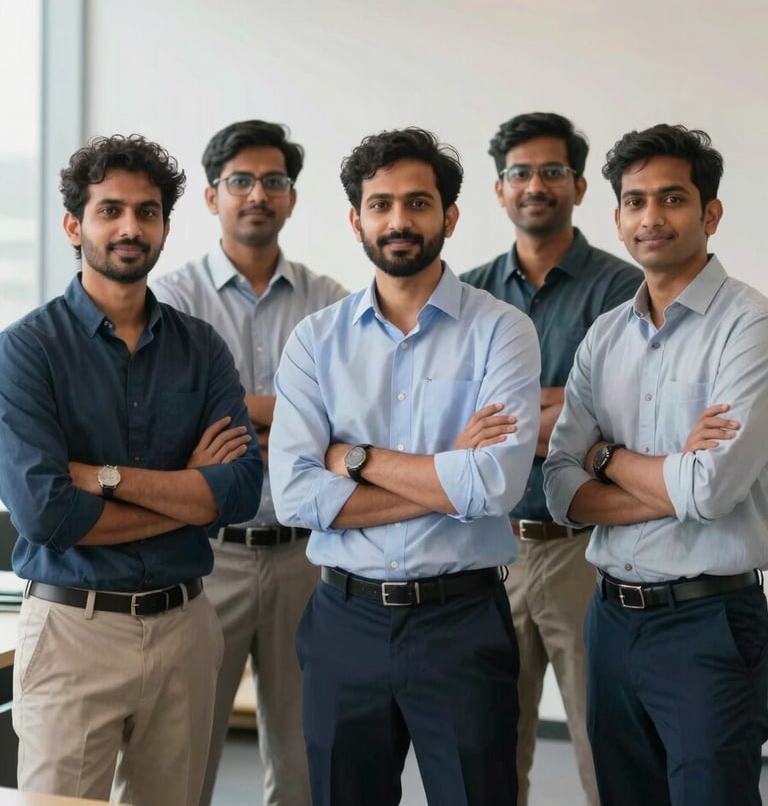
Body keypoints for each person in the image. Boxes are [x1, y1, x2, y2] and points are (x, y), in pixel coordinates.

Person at [269, 127, 541, 806]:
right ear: (356, 218)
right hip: (343, 621)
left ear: (449, 216)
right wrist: (448, 472)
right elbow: (297, 496)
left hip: (462, 621)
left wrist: (355, 459)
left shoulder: (502, 330)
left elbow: (496, 484)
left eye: (418, 202)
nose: (399, 220)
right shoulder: (315, 339)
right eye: (381, 203)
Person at [0, 134, 263, 806]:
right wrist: (187, 496)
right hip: (73, 630)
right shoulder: (25, 352)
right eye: (110, 210)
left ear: (166, 227)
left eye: (146, 212)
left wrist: (102, 477)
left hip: (184, 629)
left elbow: (236, 493)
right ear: (73, 224)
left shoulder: (201, 347)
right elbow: (47, 513)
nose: (129, 227)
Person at [544, 124, 768, 806]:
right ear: (616, 217)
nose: (651, 217)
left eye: (672, 198)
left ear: (710, 213)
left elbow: (714, 485)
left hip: (708, 624)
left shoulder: (749, 326)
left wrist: (606, 455)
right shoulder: (606, 335)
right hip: (610, 620)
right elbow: (559, 487)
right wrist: (673, 476)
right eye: (635, 201)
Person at [152, 120, 347, 806]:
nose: (256, 194)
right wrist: (300, 421)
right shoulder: (172, 299)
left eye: (273, 181)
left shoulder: (331, 301)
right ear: (211, 198)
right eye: (240, 181)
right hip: (208, 554)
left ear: (292, 198)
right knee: (181, 757)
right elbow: (174, 426)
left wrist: (238, 416)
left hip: (308, 555)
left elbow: (349, 422)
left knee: (303, 764)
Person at [460, 112, 641, 806]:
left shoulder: (622, 288)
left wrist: (522, 411)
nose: (536, 184)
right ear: (500, 189)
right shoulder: (466, 292)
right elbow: (453, 424)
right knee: (488, 749)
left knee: (605, 745)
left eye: (552, 171)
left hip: (585, 549)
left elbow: (623, 418)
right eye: (520, 172)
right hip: (487, 545)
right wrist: (567, 404)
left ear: (579, 186)